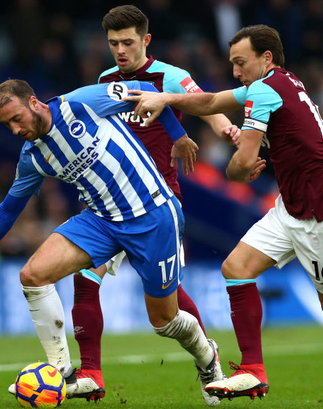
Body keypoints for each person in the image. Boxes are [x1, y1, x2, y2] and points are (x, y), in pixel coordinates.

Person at [126, 25, 323, 409]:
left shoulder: (263, 89)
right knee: (237, 267)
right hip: (292, 207)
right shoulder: (280, 82)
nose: (236, 72)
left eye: (241, 63)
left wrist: (238, 168)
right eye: (232, 64)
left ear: (266, 57)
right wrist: (166, 98)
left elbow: (241, 166)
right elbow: (210, 102)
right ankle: (254, 368)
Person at [0, 79, 224, 404]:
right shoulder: (33, 156)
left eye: (16, 118)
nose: (15, 129)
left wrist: (179, 136)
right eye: (7, 125)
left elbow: (147, 90)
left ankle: (207, 357)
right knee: (32, 276)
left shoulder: (82, 103)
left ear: (34, 103)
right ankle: (60, 371)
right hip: (102, 221)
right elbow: (7, 211)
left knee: (164, 321)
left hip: (153, 214)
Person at [63, 5, 239, 406]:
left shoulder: (171, 75)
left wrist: (225, 127)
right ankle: (90, 373)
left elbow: (205, 103)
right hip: (111, 203)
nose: (120, 50)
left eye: (128, 42)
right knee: (85, 276)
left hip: (157, 204)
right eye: (113, 44)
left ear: (145, 40)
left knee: (166, 305)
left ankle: (206, 356)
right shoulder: (106, 80)